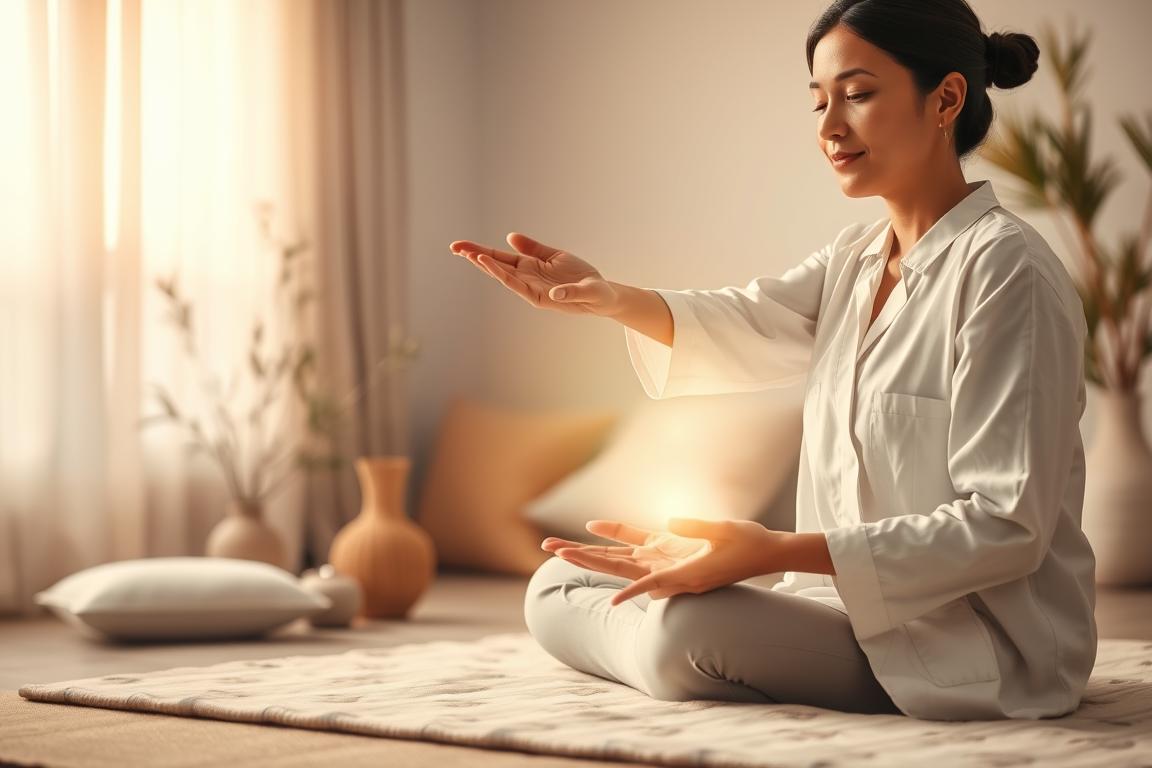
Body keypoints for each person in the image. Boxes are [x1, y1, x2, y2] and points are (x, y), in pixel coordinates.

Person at [448, 0, 1097, 722]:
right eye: (820, 101)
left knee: (685, 629)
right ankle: (680, 643)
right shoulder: (856, 258)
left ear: (945, 97)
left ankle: (677, 647)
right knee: (559, 585)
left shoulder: (1010, 274)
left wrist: (766, 553)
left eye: (857, 94)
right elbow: (749, 319)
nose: (828, 128)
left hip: (971, 644)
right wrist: (606, 298)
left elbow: (1007, 525)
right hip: (832, 609)